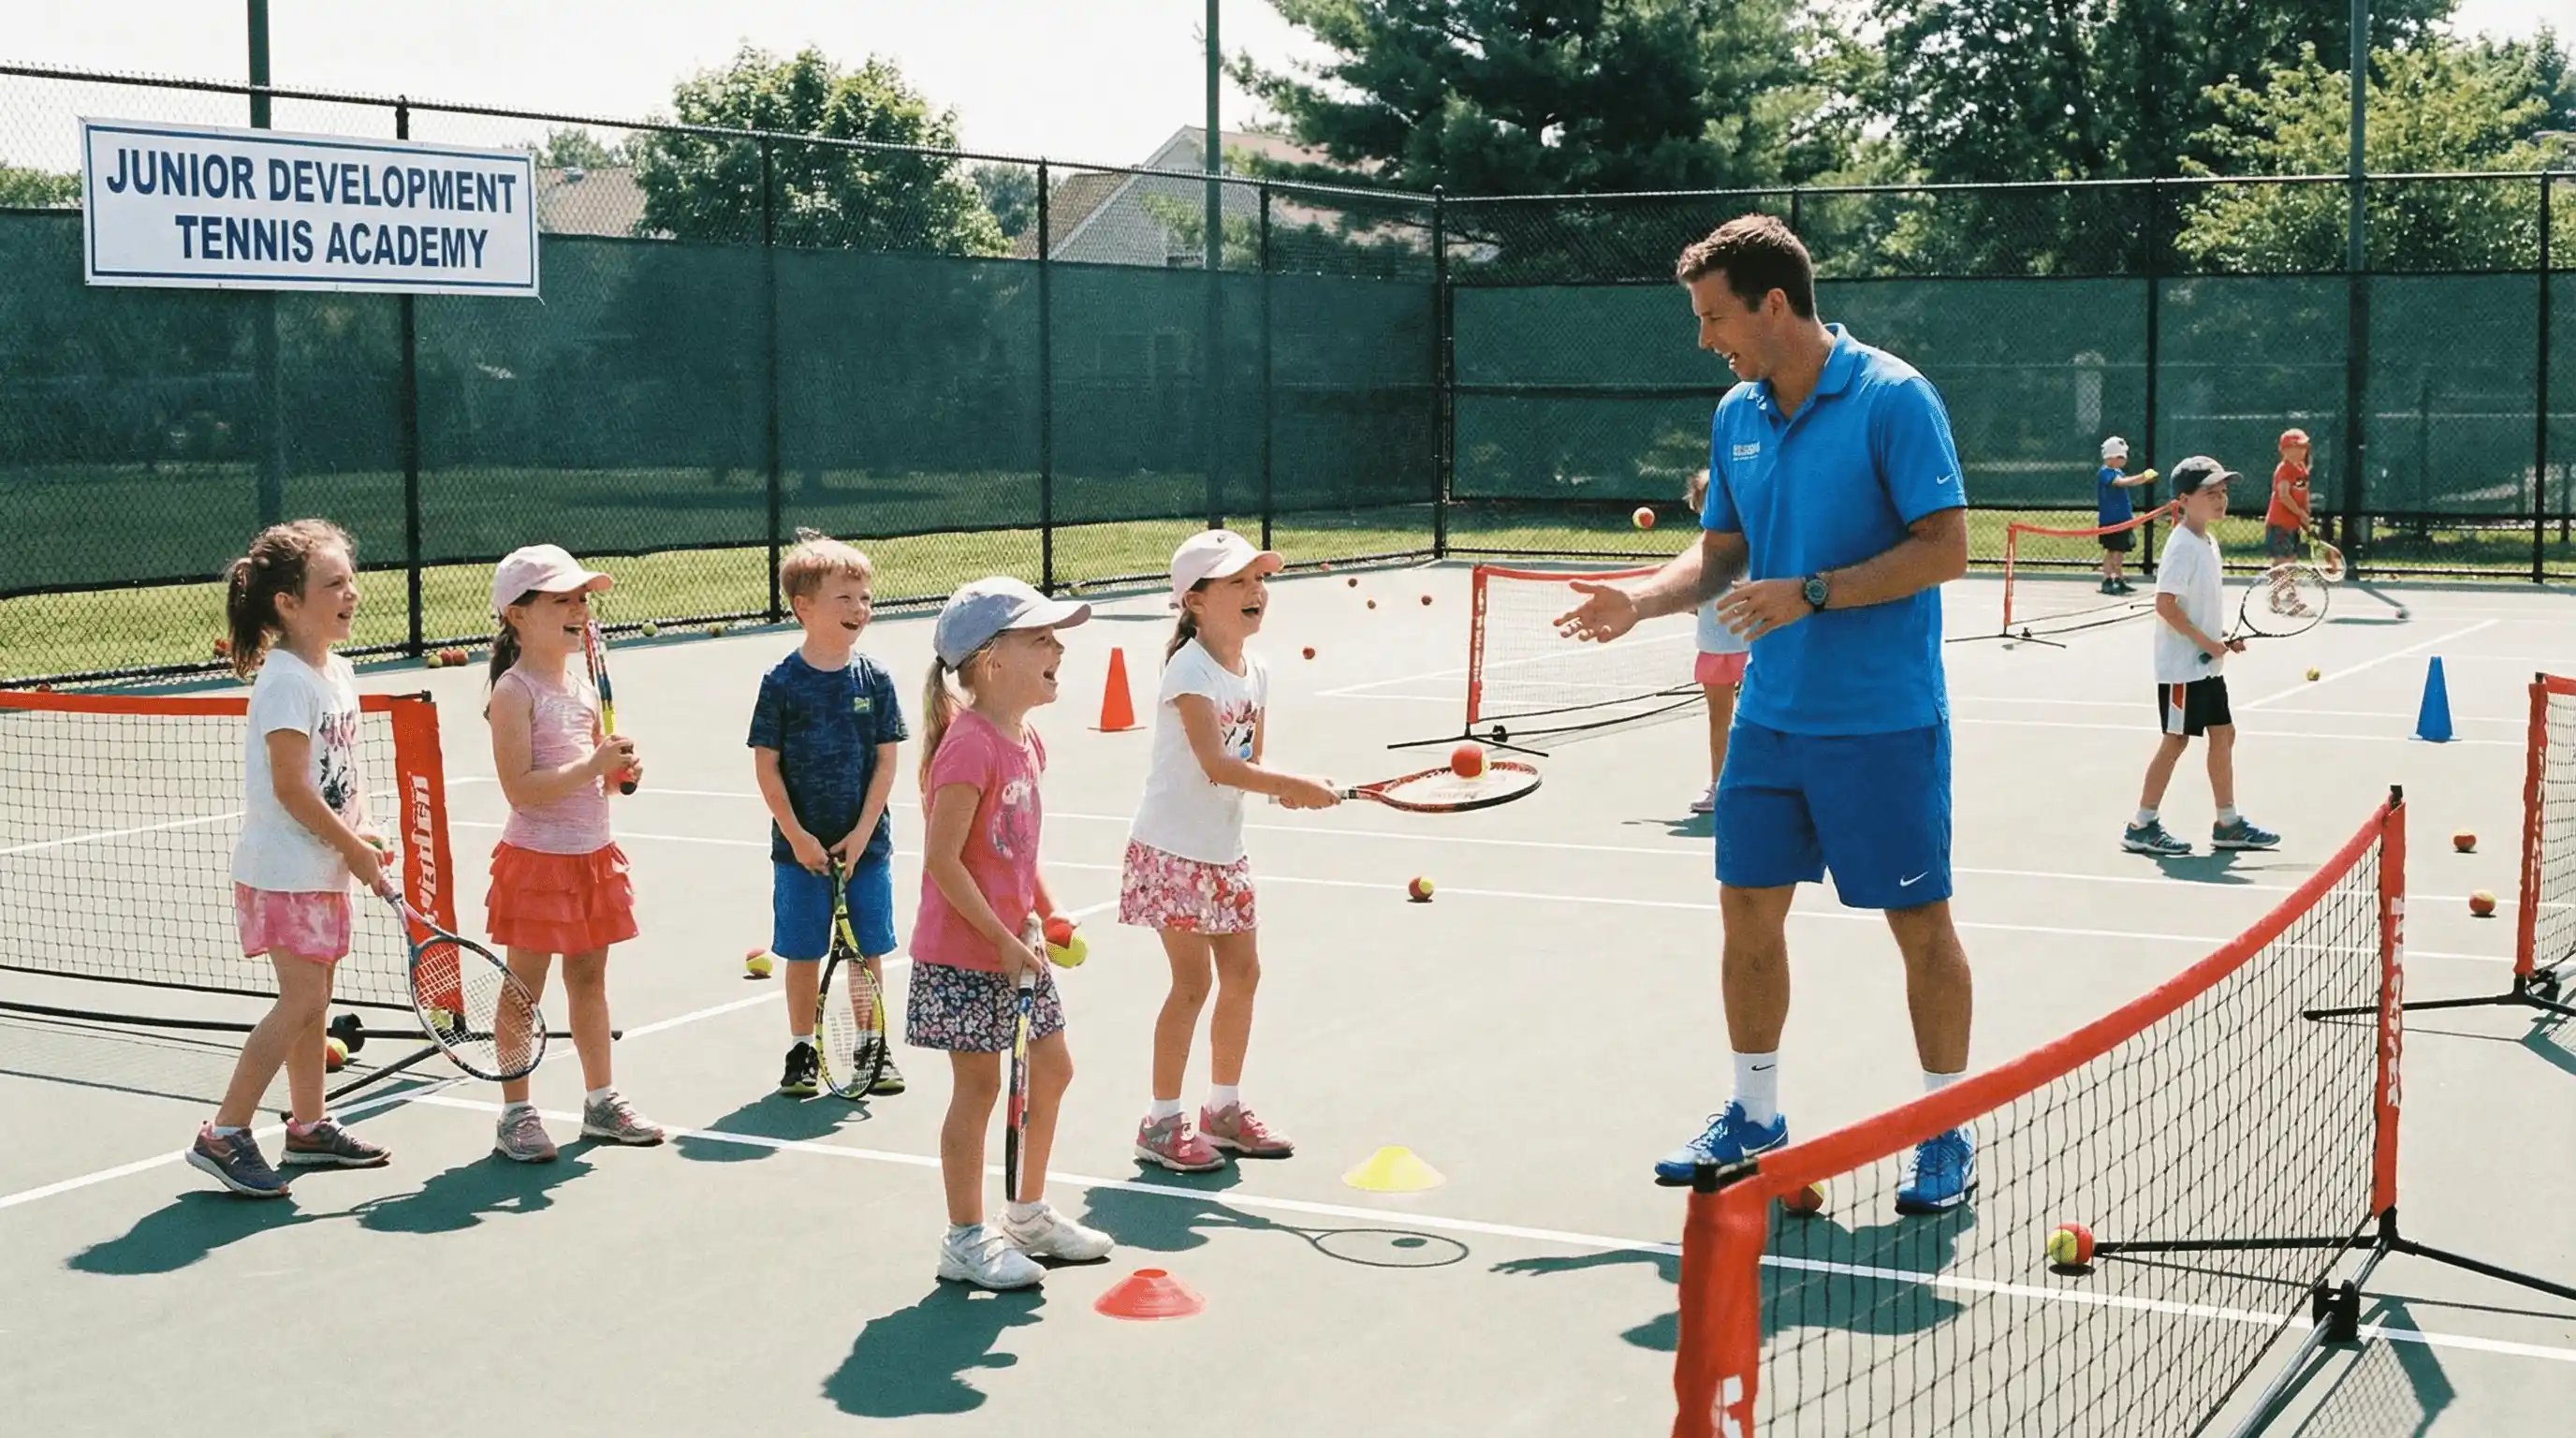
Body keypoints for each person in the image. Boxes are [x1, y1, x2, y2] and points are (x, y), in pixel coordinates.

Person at [1554, 214, 1977, 1213]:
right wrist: (1640, 600)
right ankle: (1755, 1114)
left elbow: (1945, 547)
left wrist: (1814, 593)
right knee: (1745, 911)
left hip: (1881, 720)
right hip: (1770, 719)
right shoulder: (1736, 411)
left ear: (1772, 304)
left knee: (1917, 922)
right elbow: (1722, 549)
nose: (1707, 339)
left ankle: (1941, 1133)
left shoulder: (1893, 398)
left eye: (1714, 318)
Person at [914, 577, 1116, 1289]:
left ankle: (1026, 1215)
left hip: (1017, 948)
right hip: (967, 953)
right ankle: (965, 1239)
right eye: (1042, 638)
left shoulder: (1025, 740)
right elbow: (942, 860)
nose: (1059, 648)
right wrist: (1001, 937)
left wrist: (1048, 911)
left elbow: (1016, 850)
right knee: (978, 1089)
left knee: (1053, 1070)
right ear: (993, 661)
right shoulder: (969, 748)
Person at [1120, 530, 1341, 1172]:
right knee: (1191, 985)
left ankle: (1222, 1110)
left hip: (1223, 849)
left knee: (1244, 975)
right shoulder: (1188, 669)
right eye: (1237, 582)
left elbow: (1252, 762)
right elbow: (1216, 764)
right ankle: (1160, 1123)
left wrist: (1288, 791)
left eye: (1259, 580)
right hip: (1173, 849)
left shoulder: (1258, 670)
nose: (1256, 592)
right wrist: (1287, 783)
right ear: (1194, 601)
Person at [189, 521, 395, 1196]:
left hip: (323, 868)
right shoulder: (283, 682)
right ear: (286, 602)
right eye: (332, 584)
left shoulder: (335, 671)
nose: (351, 594)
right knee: (302, 999)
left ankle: (308, 1126)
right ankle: (224, 1132)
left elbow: (339, 773)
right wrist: (350, 847)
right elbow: (290, 786)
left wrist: (362, 835)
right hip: (282, 872)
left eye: (350, 580)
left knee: (316, 1000)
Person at [483, 544, 663, 1160]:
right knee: (522, 989)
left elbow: (599, 781)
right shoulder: (513, 692)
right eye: (561, 599)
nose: (578, 608)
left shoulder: (586, 689)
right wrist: (591, 763)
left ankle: (602, 1102)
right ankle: (516, 1114)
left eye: (582, 598)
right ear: (518, 615)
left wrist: (618, 772)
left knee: (588, 978)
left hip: (592, 855)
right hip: (537, 860)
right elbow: (522, 790)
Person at [751, 530, 908, 1099]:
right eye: (845, 598)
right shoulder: (781, 684)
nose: (860, 609)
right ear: (804, 607)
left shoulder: (877, 680)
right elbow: (767, 768)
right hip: (800, 855)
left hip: (868, 849)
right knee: (801, 952)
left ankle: (873, 1045)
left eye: (865, 597)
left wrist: (863, 834)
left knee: (867, 953)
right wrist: (798, 838)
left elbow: (886, 764)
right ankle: (803, 1049)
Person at [2121, 457, 2283, 858]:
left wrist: (2222, 637)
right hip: (2182, 668)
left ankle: (2227, 824)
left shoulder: (2207, 542)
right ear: (2184, 499)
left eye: (2223, 492)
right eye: (2210, 493)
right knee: (2175, 741)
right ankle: (2141, 825)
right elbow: (2165, 604)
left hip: (2206, 664)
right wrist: (2205, 643)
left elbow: (2198, 608)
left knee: (2223, 734)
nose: (2220, 500)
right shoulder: (2181, 547)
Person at [1684, 469, 1749, 816]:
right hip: (1713, 647)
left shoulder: (1755, 540)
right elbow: (1692, 597)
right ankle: (1718, 784)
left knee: (1760, 719)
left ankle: (1766, 785)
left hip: (1754, 646)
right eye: (1710, 497)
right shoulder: (1699, 551)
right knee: (1718, 719)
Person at [2095, 436, 2159, 594]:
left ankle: (2118, 579)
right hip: (2112, 520)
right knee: (2113, 551)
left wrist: (2142, 479)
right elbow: (2121, 483)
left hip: (2122, 519)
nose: (2124, 460)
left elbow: (2125, 481)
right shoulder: (2105, 473)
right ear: (2110, 457)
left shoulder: (2117, 472)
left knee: (2119, 551)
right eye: (2121, 457)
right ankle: (2107, 580)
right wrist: (2142, 477)